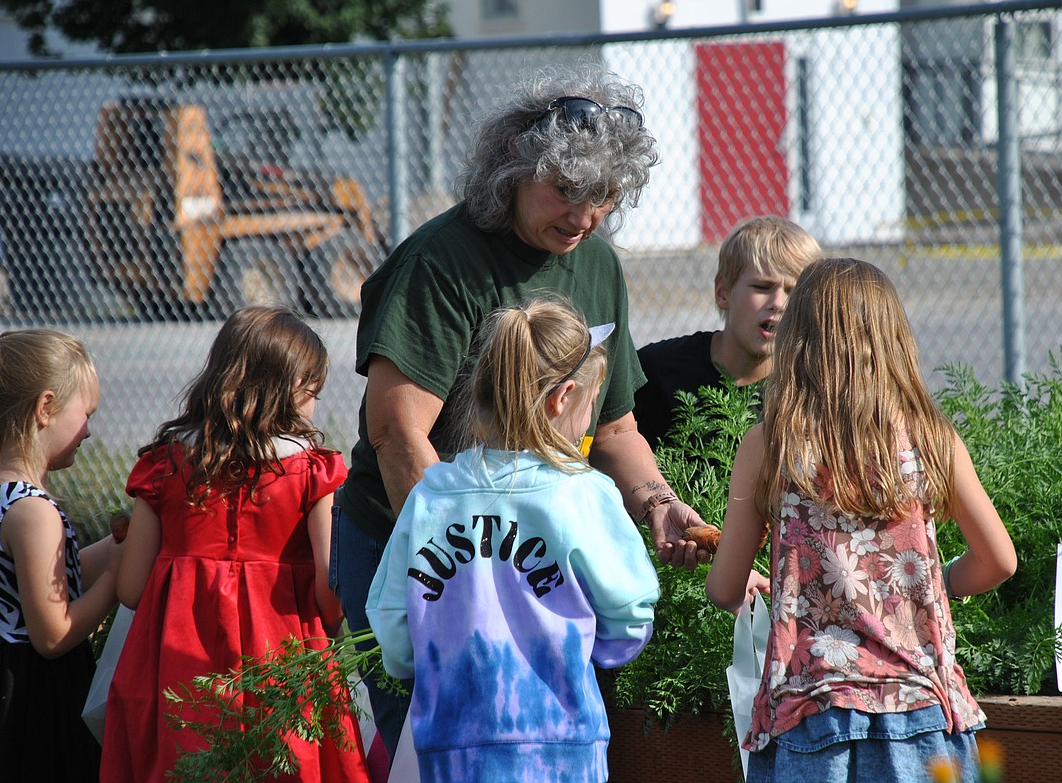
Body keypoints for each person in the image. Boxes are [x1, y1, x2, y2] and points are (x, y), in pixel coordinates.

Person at [335, 63, 708, 759]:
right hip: (419, 550)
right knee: (440, 748)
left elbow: (617, 427)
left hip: (530, 554)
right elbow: (394, 432)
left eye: (604, 197)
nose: (585, 216)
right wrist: (465, 568)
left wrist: (659, 503)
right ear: (515, 163)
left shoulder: (597, 264)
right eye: (566, 191)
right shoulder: (442, 261)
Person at [706, 258, 1017, 783]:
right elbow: (999, 561)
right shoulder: (932, 439)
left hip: (810, 708)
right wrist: (921, 588)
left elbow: (724, 587)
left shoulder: (768, 445)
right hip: (920, 709)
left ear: (796, 340)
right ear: (893, 339)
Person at [365, 298, 660, 783]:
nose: (588, 422)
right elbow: (630, 613)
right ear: (562, 398)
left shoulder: (430, 497)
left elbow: (394, 634)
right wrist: (590, 650)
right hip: (563, 750)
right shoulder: (583, 494)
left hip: (449, 749)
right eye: (591, 405)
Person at [100, 307, 370, 783]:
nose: (315, 406)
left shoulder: (165, 464)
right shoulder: (311, 473)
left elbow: (131, 588)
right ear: (288, 392)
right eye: (313, 392)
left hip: (176, 668)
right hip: (284, 666)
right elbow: (332, 594)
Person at [0, 328, 121, 782]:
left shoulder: (5, 497)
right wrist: (116, 580)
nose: (89, 429)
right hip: (33, 696)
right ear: (46, 407)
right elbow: (52, 634)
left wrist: (117, 548)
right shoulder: (32, 511)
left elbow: (45, 582)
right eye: (85, 413)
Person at [634, 215, 822, 448]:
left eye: (793, 292)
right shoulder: (656, 371)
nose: (779, 302)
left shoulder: (811, 391)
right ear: (723, 292)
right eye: (762, 287)